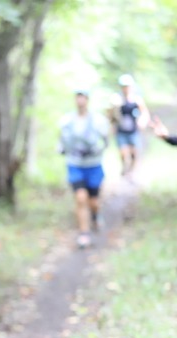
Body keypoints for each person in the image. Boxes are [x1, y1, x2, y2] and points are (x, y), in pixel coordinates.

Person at [59, 89, 110, 249]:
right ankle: (84, 233)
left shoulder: (98, 120)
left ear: (87, 100)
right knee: (80, 198)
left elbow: (106, 140)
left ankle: (95, 214)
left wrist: (98, 149)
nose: (80, 101)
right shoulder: (67, 120)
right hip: (75, 165)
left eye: (83, 97)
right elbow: (62, 139)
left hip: (93, 165)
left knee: (93, 201)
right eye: (78, 97)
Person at [108, 73, 150, 176]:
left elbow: (144, 113)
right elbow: (110, 115)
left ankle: (132, 171)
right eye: (123, 86)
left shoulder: (136, 99)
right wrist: (112, 123)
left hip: (133, 131)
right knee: (123, 152)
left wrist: (142, 121)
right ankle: (124, 168)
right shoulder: (117, 99)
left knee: (134, 153)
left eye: (127, 86)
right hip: (121, 131)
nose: (125, 88)